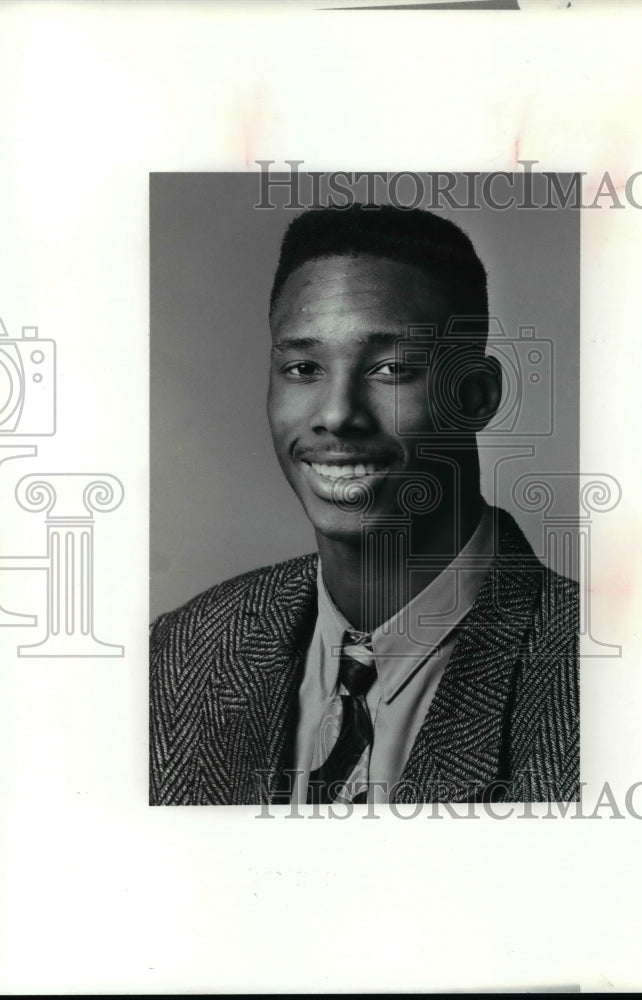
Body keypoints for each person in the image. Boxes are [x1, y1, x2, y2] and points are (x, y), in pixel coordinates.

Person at [150, 204, 579, 806]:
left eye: (391, 368)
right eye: (303, 368)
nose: (335, 415)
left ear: (477, 395)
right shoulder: (179, 656)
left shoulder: (606, 683)